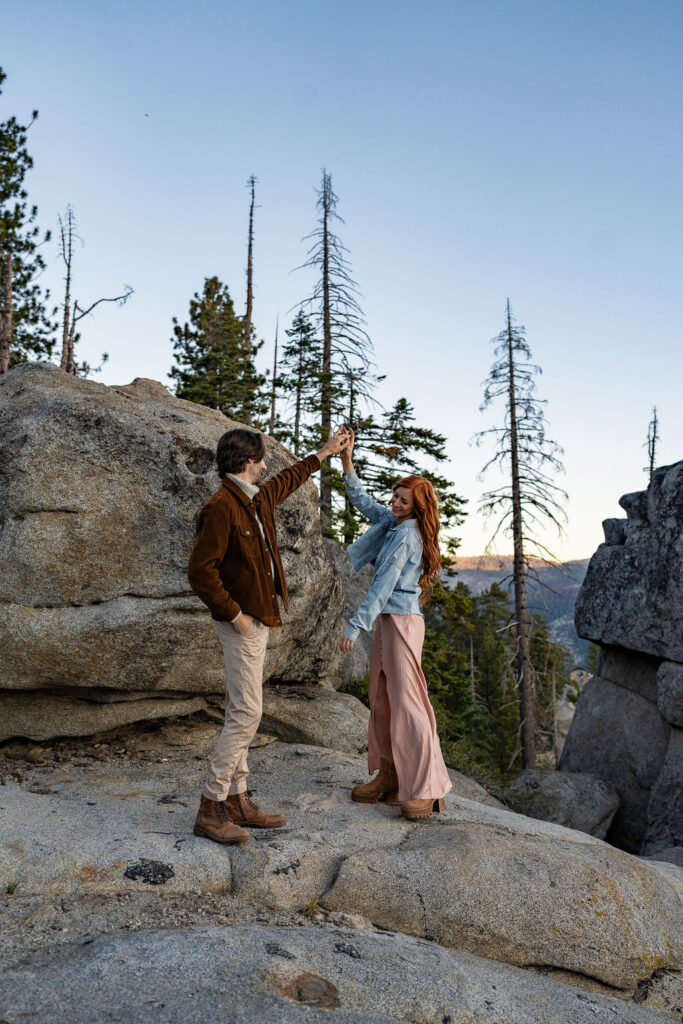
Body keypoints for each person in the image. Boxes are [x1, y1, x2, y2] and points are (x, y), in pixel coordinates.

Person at [188, 425, 349, 844]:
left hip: (257, 618)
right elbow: (200, 571)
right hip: (241, 623)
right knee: (247, 715)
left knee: (242, 709)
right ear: (246, 461)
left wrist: (327, 451)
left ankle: (239, 800)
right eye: (260, 458)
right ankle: (211, 806)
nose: (265, 464)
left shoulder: (254, 499)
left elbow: (287, 479)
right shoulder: (223, 506)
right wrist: (235, 615)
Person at [338, 428, 452, 820]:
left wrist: (356, 626)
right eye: (395, 497)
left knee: (409, 703)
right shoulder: (392, 522)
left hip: (401, 621)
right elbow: (364, 503)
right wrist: (347, 460)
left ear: (418, 507)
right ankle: (390, 777)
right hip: (390, 621)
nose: (395, 503)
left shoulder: (406, 536)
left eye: (403, 500)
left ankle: (429, 788)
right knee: (383, 701)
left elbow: (384, 583)